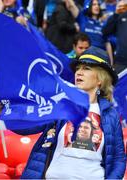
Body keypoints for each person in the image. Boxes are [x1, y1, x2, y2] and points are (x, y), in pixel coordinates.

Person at [10, 46, 125, 179]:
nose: (79, 73)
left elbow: (118, 159)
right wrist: (3, 112)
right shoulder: (61, 104)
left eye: (86, 69)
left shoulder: (111, 114)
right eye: (78, 69)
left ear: (100, 80)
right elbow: (27, 126)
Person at [65, 0, 114, 65]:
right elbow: (71, 5)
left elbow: (107, 43)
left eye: (98, 4)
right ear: (88, 6)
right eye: (94, 4)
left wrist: (111, 63)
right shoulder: (82, 18)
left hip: (100, 58)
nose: (97, 6)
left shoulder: (103, 24)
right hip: (85, 56)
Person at [102, 0, 127, 73]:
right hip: (121, 60)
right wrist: (116, 14)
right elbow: (105, 32)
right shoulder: (120, 15)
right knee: (118, 83)